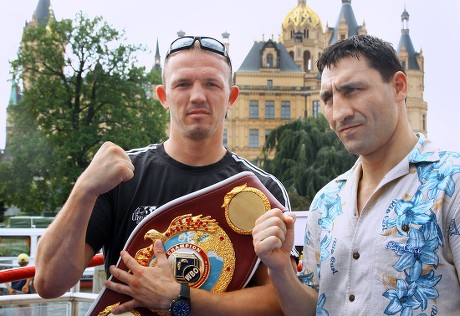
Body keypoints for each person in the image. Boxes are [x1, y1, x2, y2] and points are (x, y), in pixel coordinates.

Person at [34, 35, 296, 315]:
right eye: (182, 84)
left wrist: (179, 299)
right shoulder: (121, 176)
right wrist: (83, 188)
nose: (197, 96)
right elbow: (49, 283)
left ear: (231, 97)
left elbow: (280, 301)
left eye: (211, 84)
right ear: (163, 96)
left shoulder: (262, 188)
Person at [252, 34, 460, 315]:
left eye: (352, 90)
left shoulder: (452, 184)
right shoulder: (326, 201)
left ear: (399, 86)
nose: (339, 113)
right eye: (327, 98)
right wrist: (279, 269)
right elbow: (314, 308)